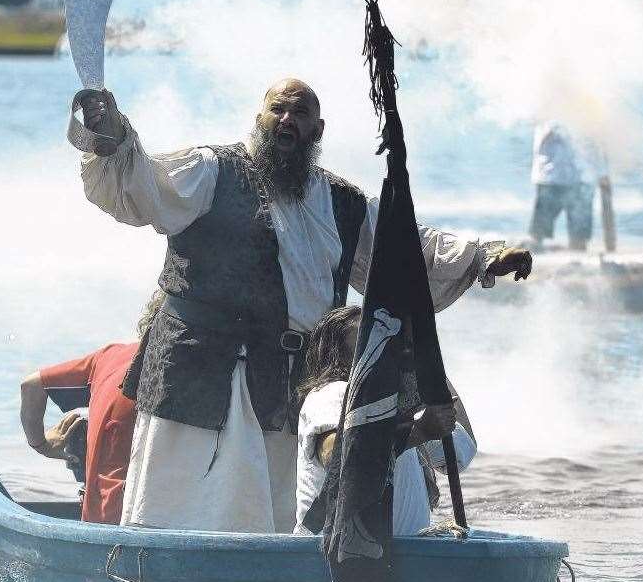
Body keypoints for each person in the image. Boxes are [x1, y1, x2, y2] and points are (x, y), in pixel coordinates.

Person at [74, 78, 530, 533]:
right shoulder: (213, 171)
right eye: (279, 109)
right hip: (204, 370)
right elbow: (146, 186)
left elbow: (408, 247)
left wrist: (483, 256)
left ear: (319, 129)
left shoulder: (344, 203)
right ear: (260, 119)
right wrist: (112, 136)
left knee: (280, 509)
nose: (288, 120)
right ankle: (168, 579)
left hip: (294, 379)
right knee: (188, 499)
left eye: (301, 113)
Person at [293, 305, 477, 535]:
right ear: (337, 354)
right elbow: (337, 455)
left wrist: (429, 367)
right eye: (367, 337)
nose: (383, 343)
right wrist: (418, 432)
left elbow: (463, 453)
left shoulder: (398, 409)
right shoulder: (334, 393)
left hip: (400, 558)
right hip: (338, 557)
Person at [19, 292, 163, 524]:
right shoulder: (206, 376)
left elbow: (32, 385)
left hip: (99, 521)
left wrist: (41, 444)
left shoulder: (110, 357)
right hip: (149, 523)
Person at [527, 121, 609, 251]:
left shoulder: (588, 112)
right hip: (552, 177)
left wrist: (602, 172)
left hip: (581, 178)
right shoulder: (549, 114)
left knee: (579, 237)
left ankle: (577, 263)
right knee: (538, 233)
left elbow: (596, 144)